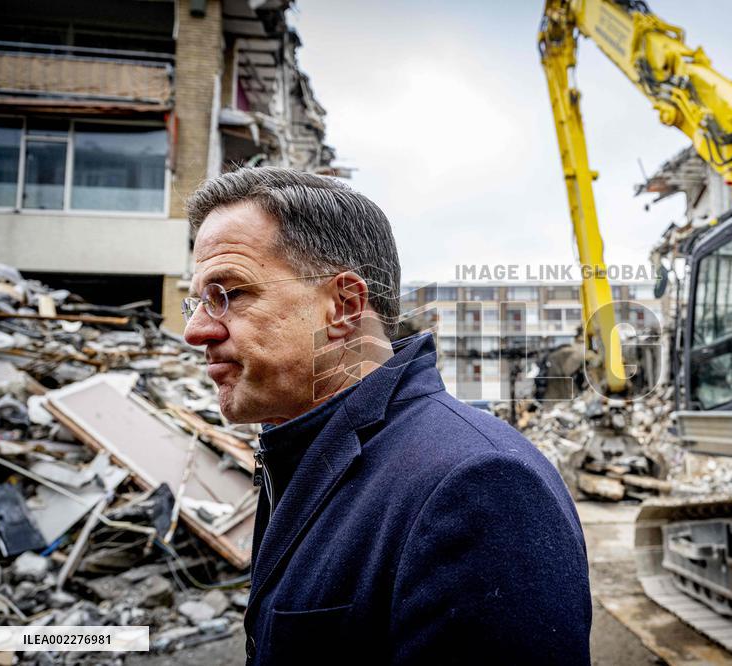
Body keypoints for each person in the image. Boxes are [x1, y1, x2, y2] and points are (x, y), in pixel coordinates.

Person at [182, 167, 592, 665]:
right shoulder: (302, 455)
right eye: (197, 302)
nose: (196, 331)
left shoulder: (480, 486)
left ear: (343, 306)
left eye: (229, 294)